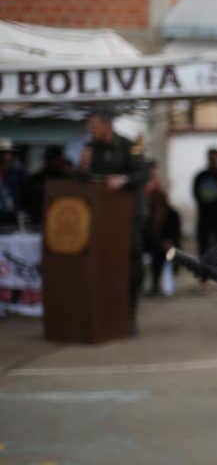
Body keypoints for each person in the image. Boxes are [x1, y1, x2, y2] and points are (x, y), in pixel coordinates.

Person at [83, 109, 148, 334]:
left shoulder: (129, 146)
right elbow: (85, 182)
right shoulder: (92, 149)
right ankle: (105, 314)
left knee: (132, 265)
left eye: (94, 126)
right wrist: (83, 167)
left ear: (107, 125)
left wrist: (124, 179)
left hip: (129, 216)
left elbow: (143, 175)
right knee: (102, 264)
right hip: (102, 216)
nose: (90, 131)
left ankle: (130, 315)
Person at [191, 148, 217, 267]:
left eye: (215, 158)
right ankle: (204, 271)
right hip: (205, 216)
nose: (213, 160)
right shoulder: (201, 176)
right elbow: (197, 194)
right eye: (211, 158)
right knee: (204, 245)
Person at [143, 184, 181, 296]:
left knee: (167, 255)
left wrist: (169, 242)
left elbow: (176, 233)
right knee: (156, 256)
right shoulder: (151, 216)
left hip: (170, 246)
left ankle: (167, 284)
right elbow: (149, 234)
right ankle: (155, 285)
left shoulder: (173, 214)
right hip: (157, 246)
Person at [21, 145, 72, 226]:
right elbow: (26, 203)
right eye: (51, 160)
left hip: (61, 220)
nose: (54, 163)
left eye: (56, 160)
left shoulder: (67, 180)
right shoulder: (35, 179)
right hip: (37, 221)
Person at [0, 138, 25, 227]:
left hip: (11, 214)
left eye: (7, 153)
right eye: (2, 153)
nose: (4, 156)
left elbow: (24, 192)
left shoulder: (18, 172)